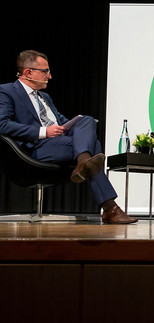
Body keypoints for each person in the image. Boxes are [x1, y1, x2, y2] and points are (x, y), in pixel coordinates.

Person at [0, 50, 137, 224]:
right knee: (93, 145)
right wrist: (44, 132)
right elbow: (2, 124)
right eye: (45, 71)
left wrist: (72, 124)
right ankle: (108, 205)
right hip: (34, 149)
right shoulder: (7, 92)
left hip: (60, 142)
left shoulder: (45, 97)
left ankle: (85, 164)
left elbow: (62, 121)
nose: (49, 76)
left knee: (86, 120)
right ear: (28, 72)